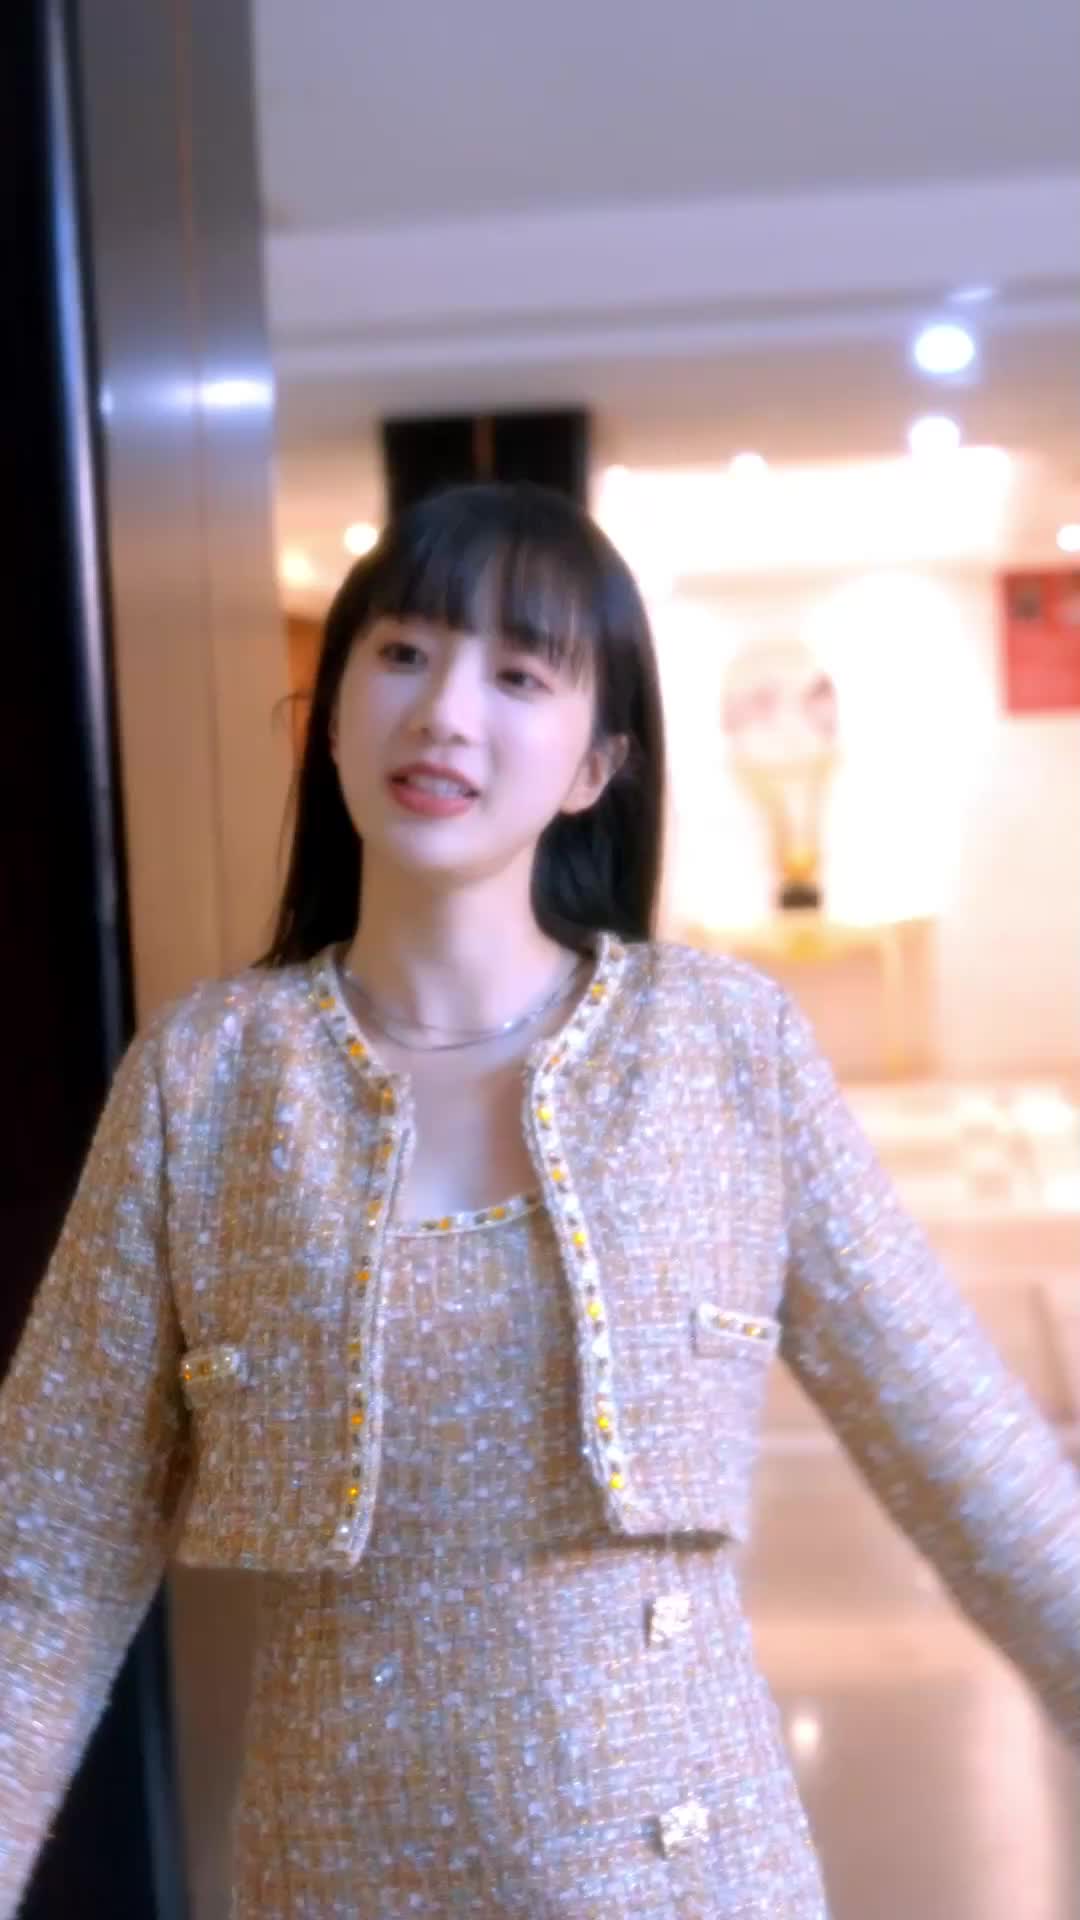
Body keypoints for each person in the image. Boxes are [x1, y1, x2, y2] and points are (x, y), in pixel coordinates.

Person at [0, 481, 1077, 1919]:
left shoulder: (719, 1049)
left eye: (518, 675)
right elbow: (44, 1564)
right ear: (331, 714)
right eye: (403, 653)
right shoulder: (208, 1082)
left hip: (690, 1878)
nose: (447, 712)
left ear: (594, 765)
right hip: (336, 1884)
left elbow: (969, 1456)